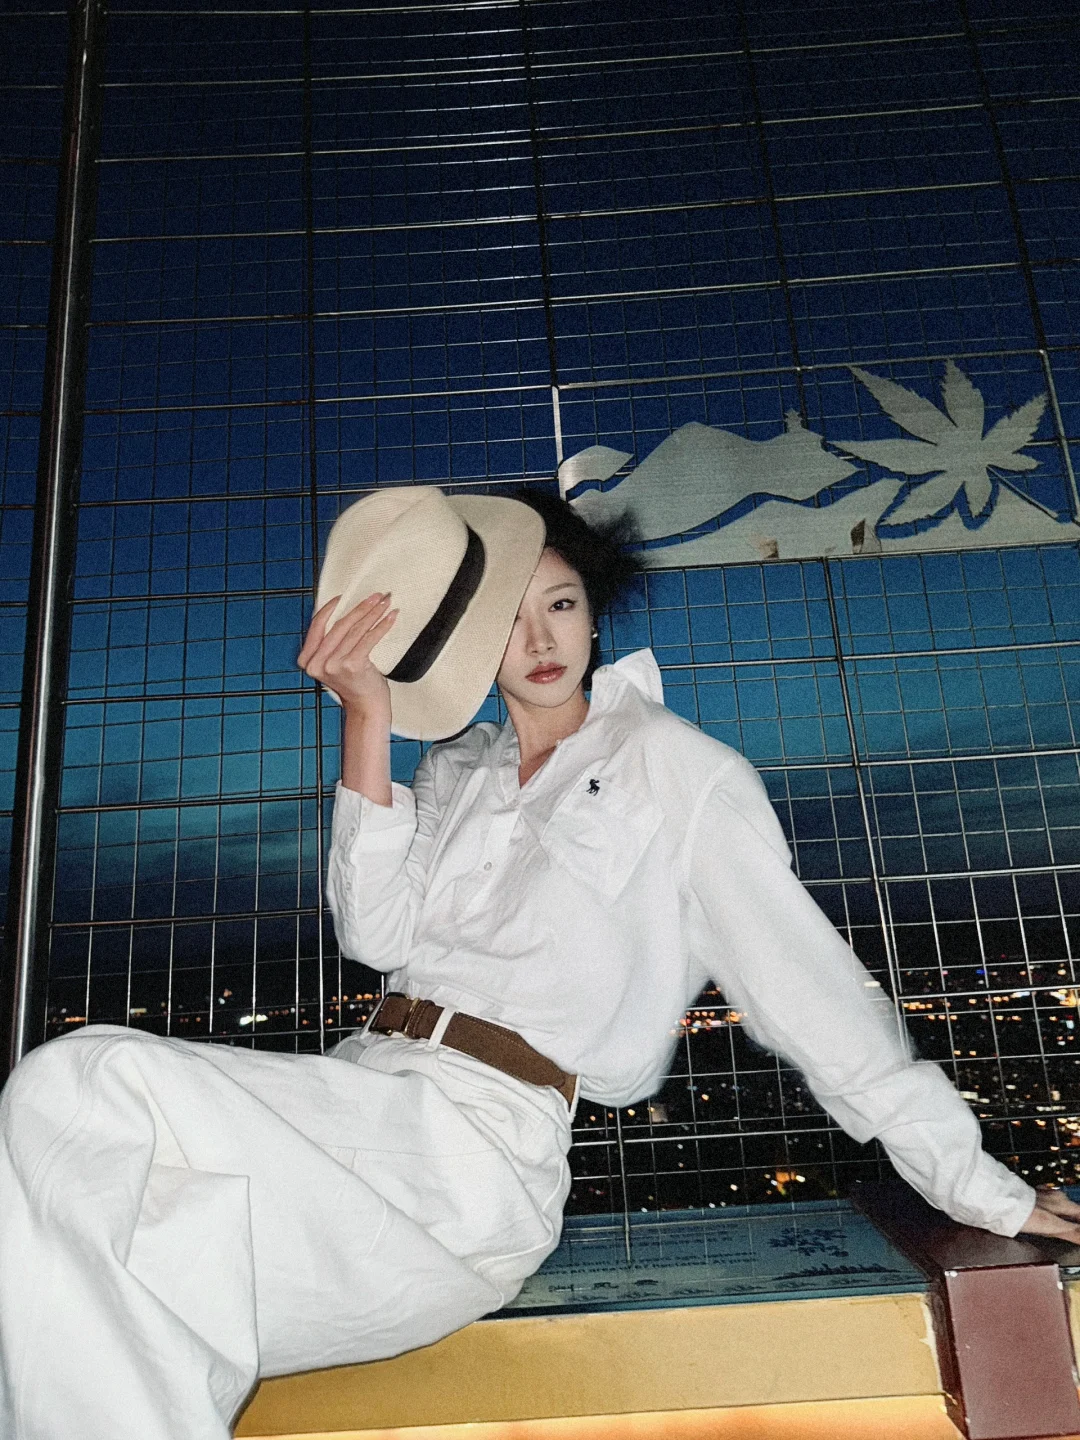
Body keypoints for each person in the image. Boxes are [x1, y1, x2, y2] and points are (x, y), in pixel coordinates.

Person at [0, 484, 1077, 1440]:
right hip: (361, 1100)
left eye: (560, 603)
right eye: (509, 618)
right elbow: (375, 935)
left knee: (84, 1084)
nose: (540, 637)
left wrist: (970, 1182)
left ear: (594, 611)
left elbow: (815, 995)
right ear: (473, 640)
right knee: (109, 1235)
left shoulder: (677, 770)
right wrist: (368, 719)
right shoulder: (457, 770)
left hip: (476, 1157)